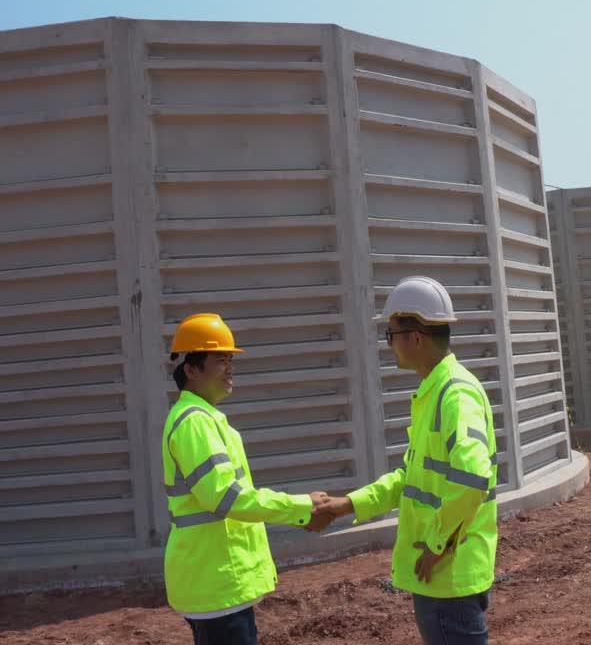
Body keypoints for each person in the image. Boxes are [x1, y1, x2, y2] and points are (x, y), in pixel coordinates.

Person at [309, 276, 498, 645]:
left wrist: (437, 543)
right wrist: (349, 504)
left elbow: (474, 476)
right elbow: (411, 478)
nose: (389, 344)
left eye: (391, 334)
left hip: (447, 578)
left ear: (415, 336)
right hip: (444, 577)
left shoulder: (454, 395)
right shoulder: (434, 393)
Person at [162, 313, 323, 645]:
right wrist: (300, 507)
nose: (230, 368)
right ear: (191, 370)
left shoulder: (204, 418)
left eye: (230, 360)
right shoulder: (195, 422)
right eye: (220, 360)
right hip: (216, 583)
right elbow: (226, 497)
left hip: (218, 581)